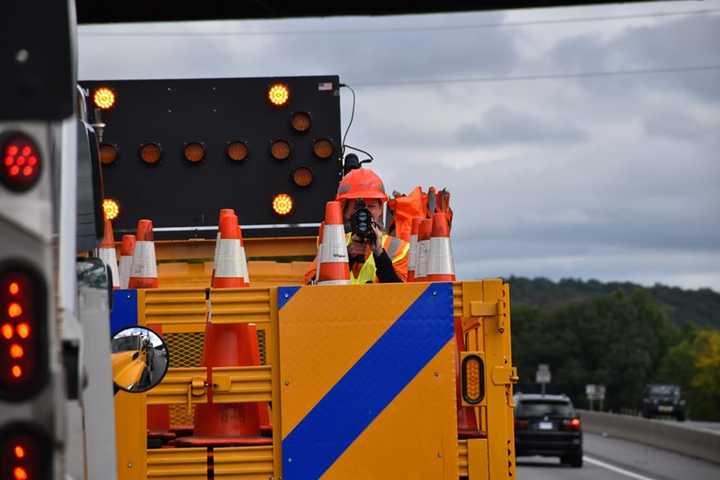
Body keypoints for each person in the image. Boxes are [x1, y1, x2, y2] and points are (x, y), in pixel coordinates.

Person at [304, 168, 410, 284]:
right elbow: (312, 289)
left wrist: (380, 254)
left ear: (380, 209)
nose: (364, 213)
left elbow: (401, 295)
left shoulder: (398, 250)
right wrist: (347, 257)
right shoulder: (332, 244)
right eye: (357, 207)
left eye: (371, 206)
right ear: (345, 211)